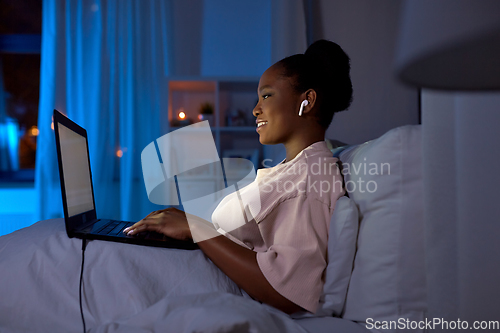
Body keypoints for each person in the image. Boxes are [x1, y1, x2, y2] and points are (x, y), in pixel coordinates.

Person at [124, 39, 353, 315]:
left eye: (266, 96)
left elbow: (291, 293)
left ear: (307, 100)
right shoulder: (291, 169)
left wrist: (196, 229)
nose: (256, 109)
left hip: (207, 287)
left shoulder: (312, 177)